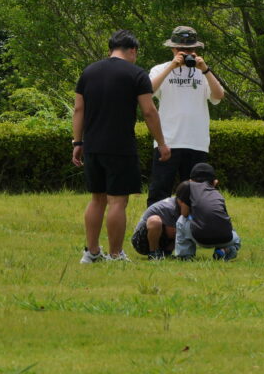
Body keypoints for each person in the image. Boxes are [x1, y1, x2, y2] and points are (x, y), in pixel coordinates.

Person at [73, 30, 171, 263]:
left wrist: (77, 142)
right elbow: (149, 111)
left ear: (110, 50)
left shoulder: (89, 72)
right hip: (120, 146)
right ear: (133, 51)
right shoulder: (136, 74)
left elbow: (79, 110)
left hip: (93, 145)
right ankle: (115, 254)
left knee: (97, 199)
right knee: (118, 201)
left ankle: (92, 252)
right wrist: (162, 143)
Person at [147, 25, 225, 206]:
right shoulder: (159, 69)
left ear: (196, 50)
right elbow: (148, 91)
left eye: (189, 50)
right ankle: (155, 231)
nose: (185, 53)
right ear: (173, 49)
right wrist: (172, 66)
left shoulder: (203, 72)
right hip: (167, 141)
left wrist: (205, 69)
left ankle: (191, 232)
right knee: (159, 192)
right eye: (181, 49)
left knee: (196, 197)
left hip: (196, 142)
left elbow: (218, 96)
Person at [173, 162, 240, 261]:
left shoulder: (188, 186)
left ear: (191, 180)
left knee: (181, 221)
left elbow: (184, 213)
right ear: (214, 182)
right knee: (235, 237)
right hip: (225, 238)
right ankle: (223, 251)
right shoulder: (218, 194)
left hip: (201, 238)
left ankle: (185, 255)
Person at [131, 195, 181, 260]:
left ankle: (166, 253)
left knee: (182, 228)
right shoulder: (170, 208)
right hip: (140, 241)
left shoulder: (178, 203)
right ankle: (154, 253)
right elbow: (171, 232)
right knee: (155, 221)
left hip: (161, 236)